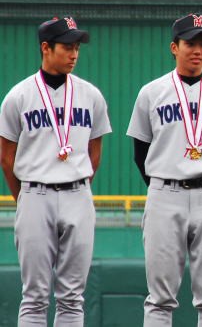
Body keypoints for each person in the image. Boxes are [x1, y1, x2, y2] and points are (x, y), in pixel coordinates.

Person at [126, 13, 202, 327]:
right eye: (190, 42)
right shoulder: (152, 92)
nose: (198, 49)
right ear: (173, 47)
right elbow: (140, 152)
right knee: (160, 298)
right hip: (165, 193)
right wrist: (164, 182)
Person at [0, 16, 112, 326]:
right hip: (34, 193)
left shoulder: (91, 95)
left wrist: (78, 184)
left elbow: (95, 151)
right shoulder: (19, 96)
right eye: (67, 47)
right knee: (34, 296)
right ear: (46, 48)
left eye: (77, 47)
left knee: (72, 298)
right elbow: (6, 157)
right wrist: (23, 197)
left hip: (77, 192)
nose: (74, 54)